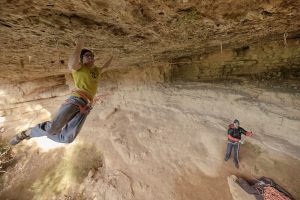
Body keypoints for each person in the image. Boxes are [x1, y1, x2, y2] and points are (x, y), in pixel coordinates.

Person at [10, 38, 113, 145]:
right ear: (82, 59)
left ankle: (46, 133)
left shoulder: (96, 70)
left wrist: (112, 57)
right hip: (76, 100)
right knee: (52, 128)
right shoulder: (79, 68)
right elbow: (71, 64)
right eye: (88, 55)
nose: (91, 57)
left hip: (87, 105)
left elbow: (105, 67)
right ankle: (26, 133)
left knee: (67, 139)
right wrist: (80, 44)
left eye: (92, 56)